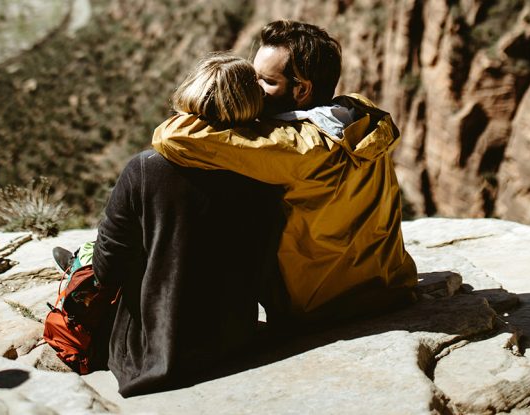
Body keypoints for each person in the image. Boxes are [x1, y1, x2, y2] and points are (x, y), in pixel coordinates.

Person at [152, 20, 418, 320]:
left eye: (265, 81)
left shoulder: (294, 146)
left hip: (318, 306)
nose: (253, 87)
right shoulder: (358, 113)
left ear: (302, 89)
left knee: (169, 173)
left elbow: (172, 136)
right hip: (388, 286)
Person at [90, 53, 284, 397]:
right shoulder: (267, 171)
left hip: (153, 352)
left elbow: (108, 268)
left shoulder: (146, 168)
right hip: (233, 339)